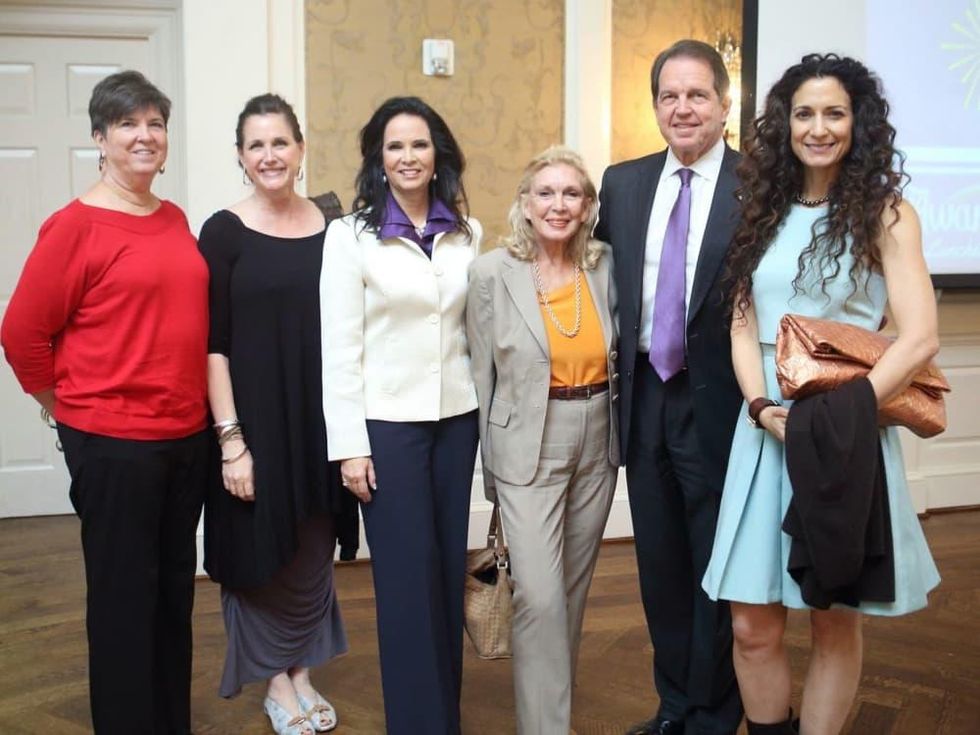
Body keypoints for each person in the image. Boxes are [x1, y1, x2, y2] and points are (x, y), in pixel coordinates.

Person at [702, 53, 941, 735]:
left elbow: (919, 337)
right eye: (804, 113)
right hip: (767, 434)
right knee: (750, 622)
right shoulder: (762, 209)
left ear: (857, 122)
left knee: (834, 621)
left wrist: (843, 412)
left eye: (834, 112)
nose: (818, 127)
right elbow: (742, 324)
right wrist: (760, 407)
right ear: (785, 124)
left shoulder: (888, 214)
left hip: (847, 435)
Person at [1, 70, 208, 734]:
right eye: (127, 124)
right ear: (100, 137)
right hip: (114, 443)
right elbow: (21, 333)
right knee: (123, 603)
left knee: (173, 597)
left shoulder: (173, 218)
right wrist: (63, 410)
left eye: (155, 123)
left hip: (185, 434)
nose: (144, 136)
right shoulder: (75, 226)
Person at [594, 39, 744, 735]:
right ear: (655, 105)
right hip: (644, 400)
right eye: (669, 96)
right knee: (659, 565)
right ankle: (674, 705)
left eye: (697, 94)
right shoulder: (622, 183)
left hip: (723, 401)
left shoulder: (760, 184)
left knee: (718, 565)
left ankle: (715, 713)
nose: (682, 108)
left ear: (723, 103)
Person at [320, 96, 482, 735]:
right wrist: (349, 446)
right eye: (394, 146)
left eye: (418, 144)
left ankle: (445, 715)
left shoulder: (470, 235)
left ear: (436, 152)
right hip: (386, 431)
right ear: (378, 160)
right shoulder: (349, 237)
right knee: (406, 583)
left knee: (445, 573)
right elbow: (339, 348)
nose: (408, 157)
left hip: (457, 422)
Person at [198, 94, 352, 735]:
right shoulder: (223, 232)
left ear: (301, 148)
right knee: (261, 548)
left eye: (280, 143)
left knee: (313, 543)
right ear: (240, 156)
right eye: (256, 145)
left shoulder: (335, 225)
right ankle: (275, 681)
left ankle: (303, 671)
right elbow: (212, 345)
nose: (269, 155)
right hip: (254, 423)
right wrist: (232, 442)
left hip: (321, 420)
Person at [467, 146, 620, 735]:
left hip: (598, 440)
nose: (559, 205)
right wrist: (488, 470)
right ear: (525, 205)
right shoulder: (490, 272)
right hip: (526, 443)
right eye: (546, 193)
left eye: (572, 194)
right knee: (539, 597)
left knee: (572, 595)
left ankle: (549, 716)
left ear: (587, 208)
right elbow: (482, 373)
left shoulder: (603, 265)